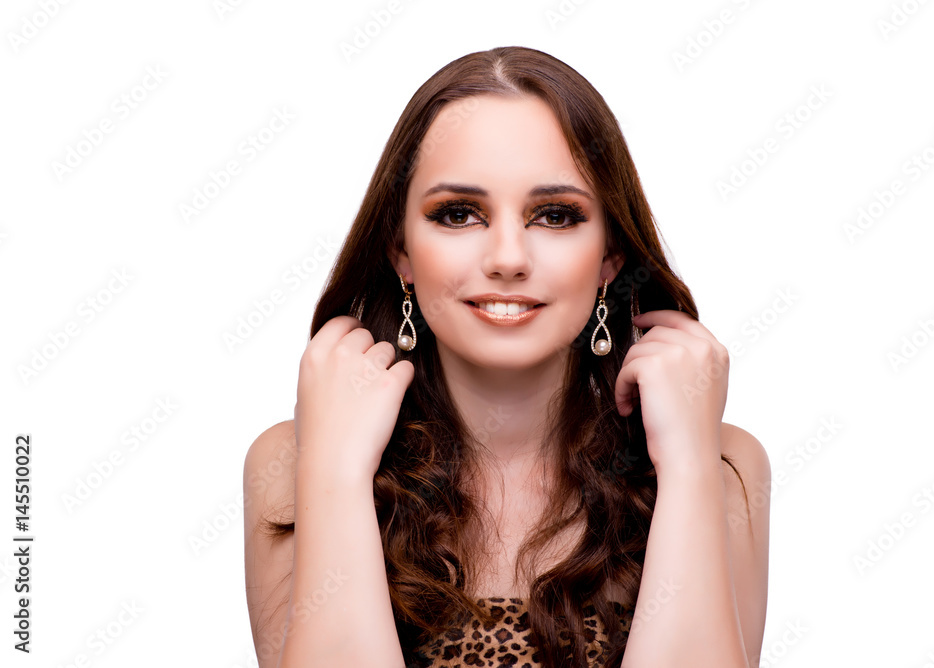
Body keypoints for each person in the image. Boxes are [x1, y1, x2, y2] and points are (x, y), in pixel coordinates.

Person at [243, 46, 770, 668]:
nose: (508, 258)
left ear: (610, 256)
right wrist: (334, 470)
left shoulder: (723, 463)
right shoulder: (290, 463)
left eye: (554, 215)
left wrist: (683, 464)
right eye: (459, 214)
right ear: (400, 250)